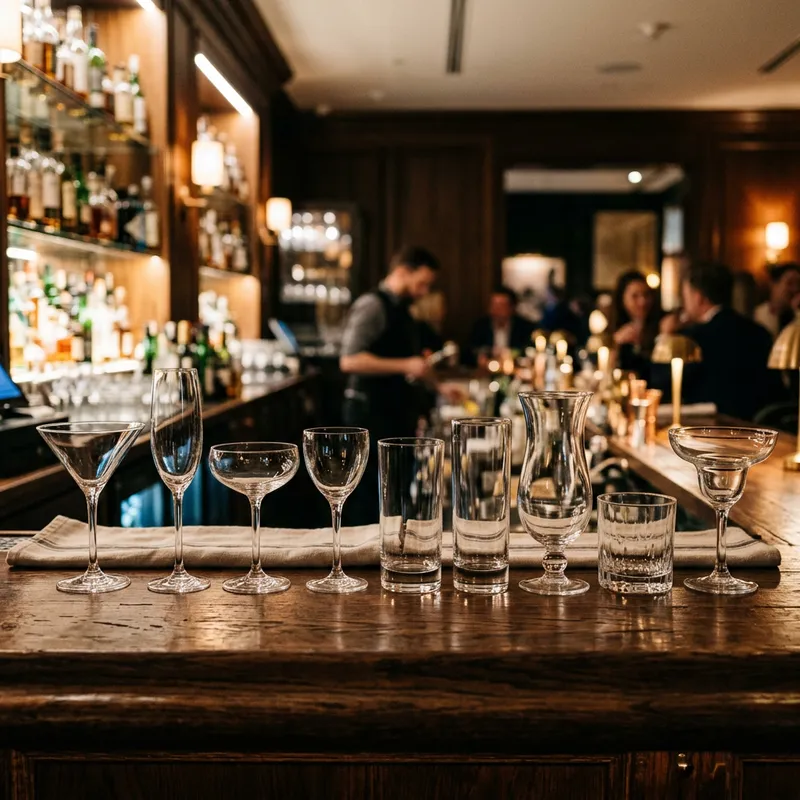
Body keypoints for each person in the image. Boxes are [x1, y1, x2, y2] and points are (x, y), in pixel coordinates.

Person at [339, 245, 446, 524]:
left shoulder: (403, 309)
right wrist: (405, 365)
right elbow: (349, 360)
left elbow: (411, 362)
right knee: (371, 495)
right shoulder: (373, 304)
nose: (424, 291)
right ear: (402, 271)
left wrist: (439, 387)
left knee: (395, 493)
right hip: (370, 413)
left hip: (395, 414)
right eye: (422, 283)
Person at [654, 262, 778, 421]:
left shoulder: (692, 338)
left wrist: (665, 336)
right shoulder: (760, 332)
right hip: (759, 426)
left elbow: (661, 382)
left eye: (686, 296)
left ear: (698, 298)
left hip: (708, 427)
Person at [610, 271, 662, 380]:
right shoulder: (615, 327)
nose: (642, 302)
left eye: (646, 295)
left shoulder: (661, 325)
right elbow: (606, 374)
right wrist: (616, 343)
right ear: (622, 299)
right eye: (635, 296)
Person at [466, 287, 534, 365]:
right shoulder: (480, 326)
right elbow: (471, 351)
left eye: (501, 306)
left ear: (512, 308)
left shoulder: (525, 327)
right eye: (493, 305)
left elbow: (528, 351)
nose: (496, 310)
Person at [753, 262, 800, 338]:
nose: (795, 289)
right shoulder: (756, 315)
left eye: (799, 284)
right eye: (790, 283)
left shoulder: (797, 316)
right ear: (773, 284)